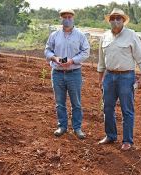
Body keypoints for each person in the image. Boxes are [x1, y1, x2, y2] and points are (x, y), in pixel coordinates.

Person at [97, 8, 141, 150]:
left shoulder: (131, 35)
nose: (115, 21)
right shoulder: (105, 36)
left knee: (127, 109)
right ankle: (110, 135)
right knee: (107, 108)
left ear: (123, 20)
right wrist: (100, 79)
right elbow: (101, 61)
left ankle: (127, 141)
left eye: (118, 18)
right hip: (109, 76)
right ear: (109, 21)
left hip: (126, 77)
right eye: (112, 18)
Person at [44, 9, 90, 139]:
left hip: (74, 72)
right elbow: (47, 50)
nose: (67, 19)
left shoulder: (80, 36)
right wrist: (54, 58)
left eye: (69, 17)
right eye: (65, 17)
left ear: (73, 18)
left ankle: (77, 128)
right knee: (60, 102)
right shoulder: (54, 35)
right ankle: (62, 126)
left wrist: (73, 61)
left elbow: (86, 52)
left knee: (76, 102)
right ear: (61, 19)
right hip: (57, 73)